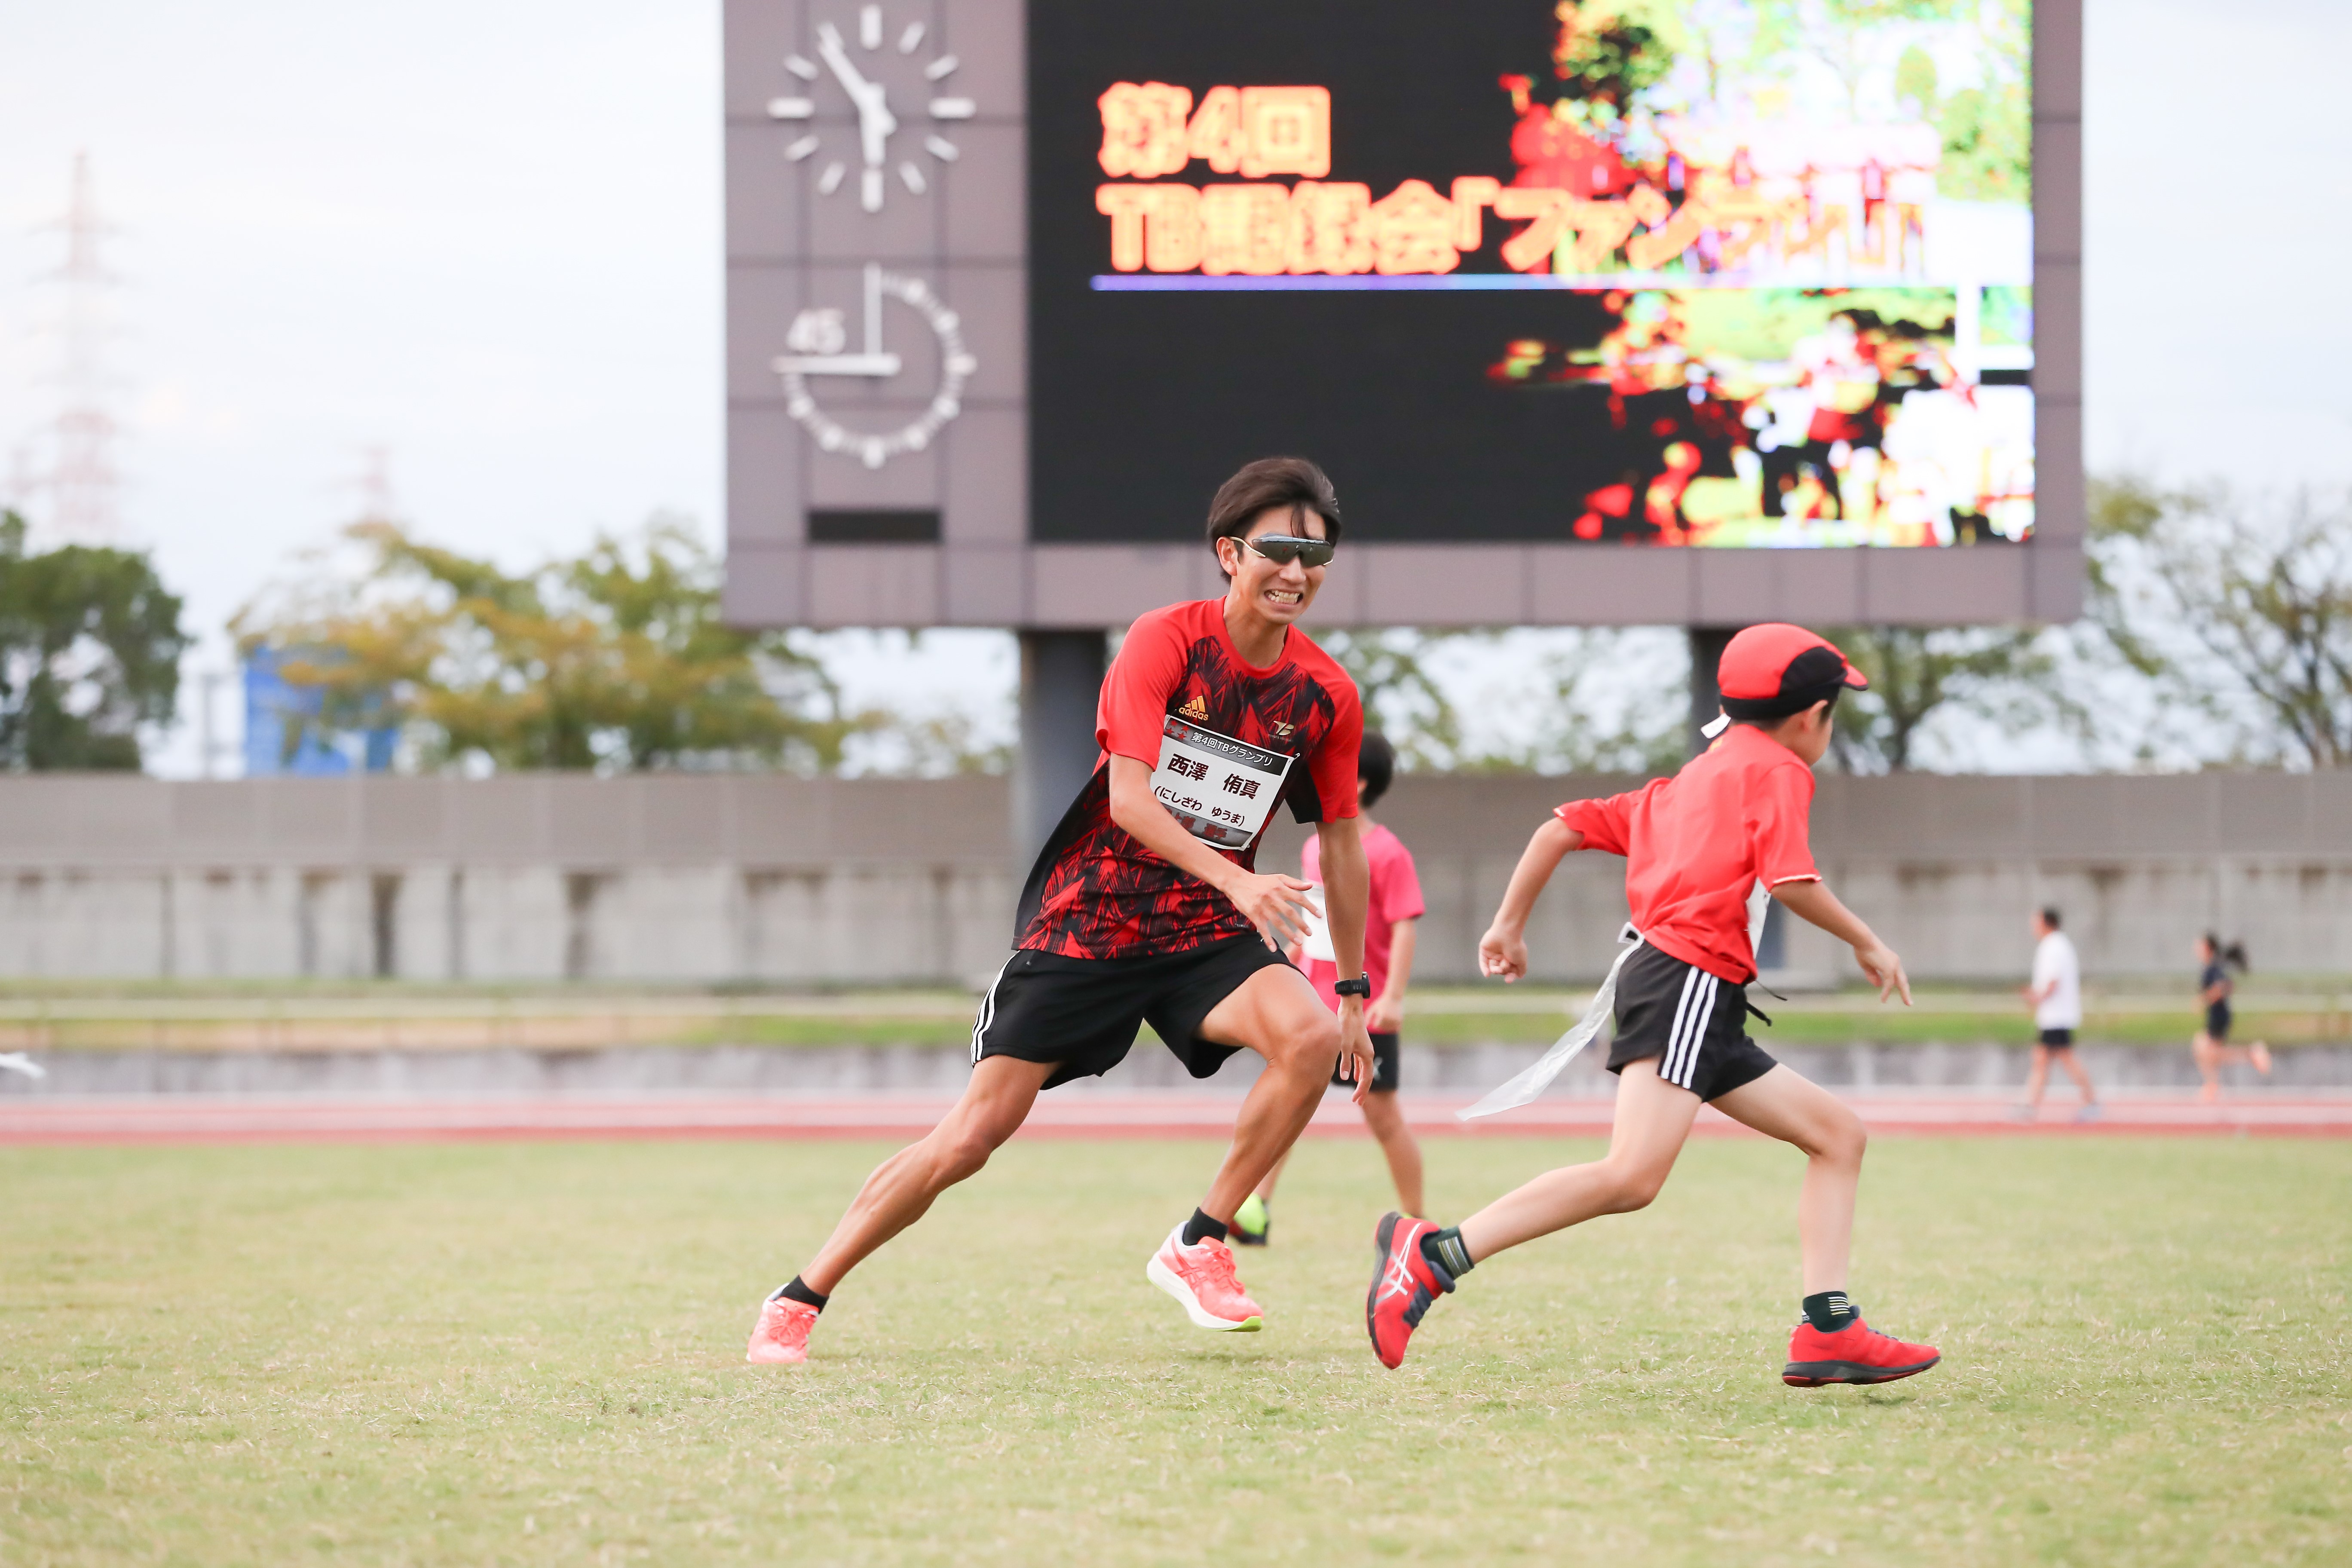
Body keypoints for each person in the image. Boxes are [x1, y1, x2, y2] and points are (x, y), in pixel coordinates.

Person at [744, 457, 1376, 1365]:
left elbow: (1345, 845)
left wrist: (1352, 990)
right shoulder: (1168, 640)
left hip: (1201, 934)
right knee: (971, 1139)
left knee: (1310, 1038)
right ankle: (802, 1294)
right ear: (1230, 553)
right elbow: (1129, 801)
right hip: (1090, 922)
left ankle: (1200, 1240)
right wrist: (1240, 880)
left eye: (1317, 555)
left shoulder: (1326, 696)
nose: (1298, 571)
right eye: (1279, 548)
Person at [1363, 623, 1941, 1388]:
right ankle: (1433, 1256)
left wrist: (1507, 923)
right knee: (1631, 1176)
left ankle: (1828, 1329)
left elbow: (1558, 827)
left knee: (1837, 1134)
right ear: (1811, 717)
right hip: (1687, 982)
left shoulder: (1688, 779)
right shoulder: (1777, 770)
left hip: (1690, 988)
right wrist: (1868, 941)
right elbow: (1793, 877)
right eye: (1833, 713)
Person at [1232, 731, 1426, 1243]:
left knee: (1383, 1117)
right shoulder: (1315, 844)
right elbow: (1316, 917)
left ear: (1357, 783)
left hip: (1365, 1007)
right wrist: (1289, 962)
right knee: (1288, 1103)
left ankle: (1417, 1222)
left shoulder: (1387, 853)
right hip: (1313, 1004)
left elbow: (1405, 923)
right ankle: (1255, 1210)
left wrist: (1394, 996)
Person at [2017, 906, 2098, 1122]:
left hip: (2057, 1016)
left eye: (2036, 922)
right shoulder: (2060, 945)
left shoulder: (2053, 946)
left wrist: (2036, 997)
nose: (2033, 927)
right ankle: (2030, 1104)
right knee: (2042, 1058)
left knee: (2063, 1058)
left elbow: (2053, 981)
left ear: (2046, 922)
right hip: (2056, 1015)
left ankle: (2091, 1102)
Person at [2193, 933, 2272, 1104]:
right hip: (2218, 1016)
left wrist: (2205, 1000)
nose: (2196, 949)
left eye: (2200, 945)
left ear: (2208, 948)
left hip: (2219, 1017)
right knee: (2205, 1050)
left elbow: (2225, 986)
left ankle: (2251, 1054)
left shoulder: (2213, 968)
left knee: (2207, 1050)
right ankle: (2213, 1085)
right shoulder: (2212, 966)